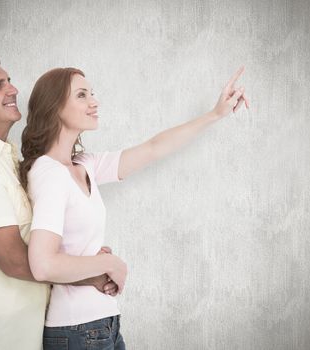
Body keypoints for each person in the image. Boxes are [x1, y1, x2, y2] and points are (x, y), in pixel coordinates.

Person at [19, 66, 249, 349]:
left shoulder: (83, 165)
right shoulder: (50, 173)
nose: (94, 102)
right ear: (54, 107)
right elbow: (43, 265)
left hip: (102, 324)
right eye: (82, 95)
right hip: (78, 329)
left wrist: (215, 114)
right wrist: (109, 263)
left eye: (92, 93)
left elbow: (153, 148)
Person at [0, 54, 122, 350]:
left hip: (23, 336)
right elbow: (13, 261)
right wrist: (93, 271)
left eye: (9, 81)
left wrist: (83, 258)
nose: (13, 90)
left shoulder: (7, 157)